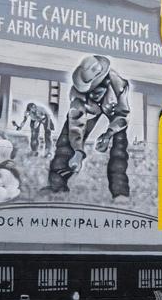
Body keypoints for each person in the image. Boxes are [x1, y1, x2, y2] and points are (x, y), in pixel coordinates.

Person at [48, 54, 131, 197]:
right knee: (65, 140)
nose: (91, 95)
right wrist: (78, 152)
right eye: (87, 91)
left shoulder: (119, 86)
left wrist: (108, 135)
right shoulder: (77, 94)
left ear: (104, 83)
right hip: (90, 110)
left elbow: (122, 115)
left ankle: (120, 191)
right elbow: (76, 124)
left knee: (120, 146)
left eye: (94, 90)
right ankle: (57, 185)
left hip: (114, 111)